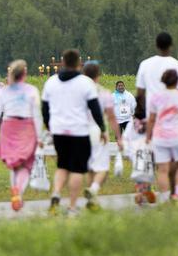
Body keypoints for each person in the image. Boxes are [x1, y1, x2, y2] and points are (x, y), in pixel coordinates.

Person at [41, 49, 107, 214]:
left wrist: (49, 125)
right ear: (79, 63)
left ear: (63, 62)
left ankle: (56, 193)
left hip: (58, 131)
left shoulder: (51, 82)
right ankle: (71, 206)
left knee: (62, 166)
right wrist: (103, 129)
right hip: (79, 131)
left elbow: (44, 107)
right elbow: (95, 108)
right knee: (77, 169)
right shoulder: (85, 82)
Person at [0, 60, 42, 212]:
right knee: (26, 164)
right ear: (25, 74)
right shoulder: (31, 90)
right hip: (26, 127)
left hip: (8, 126)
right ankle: (18, 193)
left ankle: (15, 193)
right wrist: (40, 136)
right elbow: (36, 115)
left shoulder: (4, 91)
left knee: (13, 163)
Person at [146, 69, 178, 202]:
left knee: (162, 170)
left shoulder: (156, 97)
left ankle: (164, 197)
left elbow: (151, 119)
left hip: (160, 137)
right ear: (177, 81)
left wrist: (148, 136)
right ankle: (177, 194)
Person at [82, 62, 123, 208]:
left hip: (82, 131)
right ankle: (93, 190)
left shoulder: (80, 92)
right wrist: (119, 137)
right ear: (98, 75)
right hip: (97, 131)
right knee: (103, 168)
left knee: (91, 168)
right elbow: (111, 117)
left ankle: (92, 200)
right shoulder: (104, 93)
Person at [135, 32, 178, 119]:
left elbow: (140, 94)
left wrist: (141, 115)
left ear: (156, 45)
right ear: (171, 45)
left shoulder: (145, 64)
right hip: (173, 117)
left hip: (152, 116)